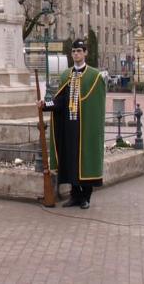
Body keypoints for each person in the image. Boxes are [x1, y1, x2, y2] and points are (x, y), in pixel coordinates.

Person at [37, 39, 106, 209]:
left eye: (79, 51)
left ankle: (86, 197)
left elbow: (96, 105)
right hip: (68, 125)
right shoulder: (66, 75)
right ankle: (75, 195)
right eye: (74, 51)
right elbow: (60, 101)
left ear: (85, 53)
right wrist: (46, 105)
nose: (76, 54)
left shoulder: (94, 76)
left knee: (85, 160)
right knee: (70, 160)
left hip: (85, 126)